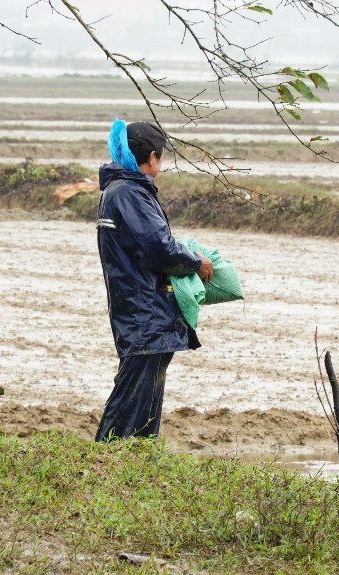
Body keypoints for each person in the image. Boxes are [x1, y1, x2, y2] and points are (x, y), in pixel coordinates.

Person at [94, 119, 213, 441]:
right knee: (133, 393)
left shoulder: (118, 190)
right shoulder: (131, 193)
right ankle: (108, 457)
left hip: (138, 307)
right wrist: (195, 261)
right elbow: (158, 248)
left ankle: (134, 457)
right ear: (151, 157)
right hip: (144, 310)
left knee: (143, 393)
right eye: (160, 157)